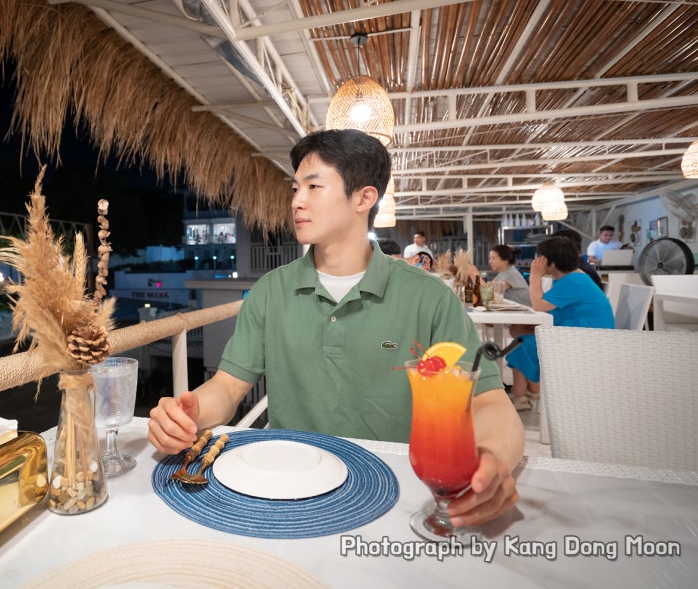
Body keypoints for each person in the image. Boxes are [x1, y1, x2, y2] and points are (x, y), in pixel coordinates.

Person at [149, 129, 524, 528]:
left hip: (396, 491)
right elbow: (227, 388)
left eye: (313, 186)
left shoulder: (427, 297)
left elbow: (489, 403)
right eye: (295, 188)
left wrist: (492, 459)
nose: (297, 200)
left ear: (363, 198)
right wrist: (187, 414)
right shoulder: (271, 291)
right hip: (287, 485)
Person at [506, 236, 614, 410]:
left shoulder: (574, 281)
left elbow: (539, 305)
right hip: (576, 332)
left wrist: (535, 276)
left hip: (587, 341)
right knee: (518, 331)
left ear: (553, 264)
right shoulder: (570, 278)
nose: (537, 262)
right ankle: (533, 388)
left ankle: (522, 394)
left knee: (521, 344)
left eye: (541, 259)